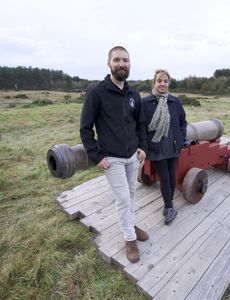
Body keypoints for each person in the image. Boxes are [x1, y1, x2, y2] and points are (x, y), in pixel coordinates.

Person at [80, 46, 148, 263]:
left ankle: (129, 223)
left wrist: (142, 147)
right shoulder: (96, 92)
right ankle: (129, 239)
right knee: (123, 198)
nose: (122, 64)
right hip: (112, 158)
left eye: (125, 60)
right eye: (117, 60)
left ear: (130, 64)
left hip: (132, 156)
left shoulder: (133, 94)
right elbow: (85, 127)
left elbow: (141, 124)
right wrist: (95, 155)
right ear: (108, 63)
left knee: (132, 195)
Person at [143, 69, 187, 225]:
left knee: (171, 174)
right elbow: (141, 126)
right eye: (159, 81)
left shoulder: (175, 102)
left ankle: (169, 201)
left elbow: (183, 122)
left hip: (173, 145)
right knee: (164, 177)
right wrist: (144, 146)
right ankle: (169, 207)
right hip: (156, 146)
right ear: (154, 83)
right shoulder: (146, 102)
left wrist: (181, 139)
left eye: (165, 81)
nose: (162, 84)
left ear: (169, 83)